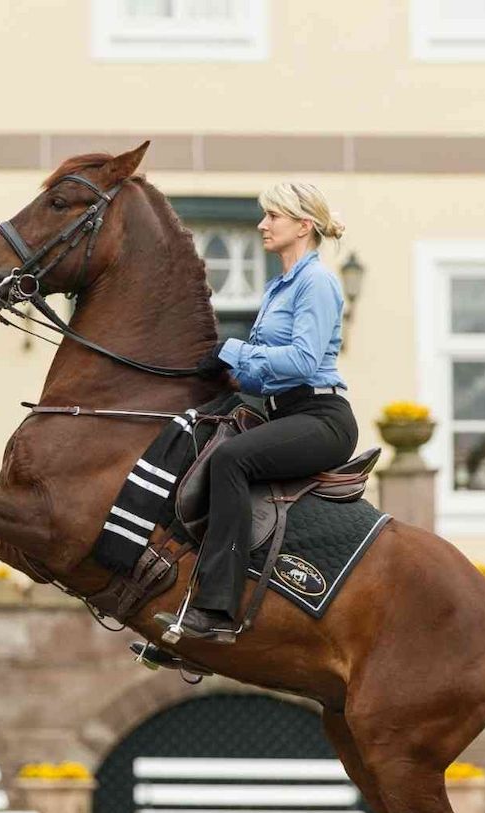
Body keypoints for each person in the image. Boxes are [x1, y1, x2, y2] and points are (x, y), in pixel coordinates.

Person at [166, 181, 357, 641]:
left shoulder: (317, 282)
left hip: (321, 418)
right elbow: (263, 375)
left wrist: (231, 350)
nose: (262, 225)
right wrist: (218, 372)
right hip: (284, 412)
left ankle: (217, 612)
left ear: (303, 225)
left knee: (233, 459)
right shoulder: (277, 288)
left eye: (273, 216)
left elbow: (303, 362)